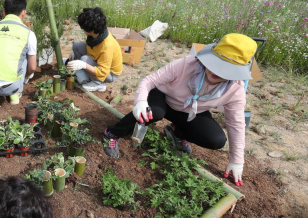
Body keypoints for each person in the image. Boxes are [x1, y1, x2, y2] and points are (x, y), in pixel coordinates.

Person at [103, 34, 256, 186]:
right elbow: (149, 80)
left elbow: (236, 124)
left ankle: (175, 131)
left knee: (216, 140)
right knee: (154, 112)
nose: (215, 72)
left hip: (192, 111)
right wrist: (141, 101)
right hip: (164, 98)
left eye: (225, 70)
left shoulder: (235, 90)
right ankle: (113, 132)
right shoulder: (187, 64)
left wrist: (237, 160)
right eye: (216, 64)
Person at [66, 8, 122, 92]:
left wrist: (83, 64)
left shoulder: (107, 46)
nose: (82, 29)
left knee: (84, 59)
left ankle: (98, 83)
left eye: (83, 27)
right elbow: (90, 45)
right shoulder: (98, 33)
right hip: (98, 59)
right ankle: (85, 72)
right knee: (77, 45)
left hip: (109, 74)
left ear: (90, 30)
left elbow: (103, 72)